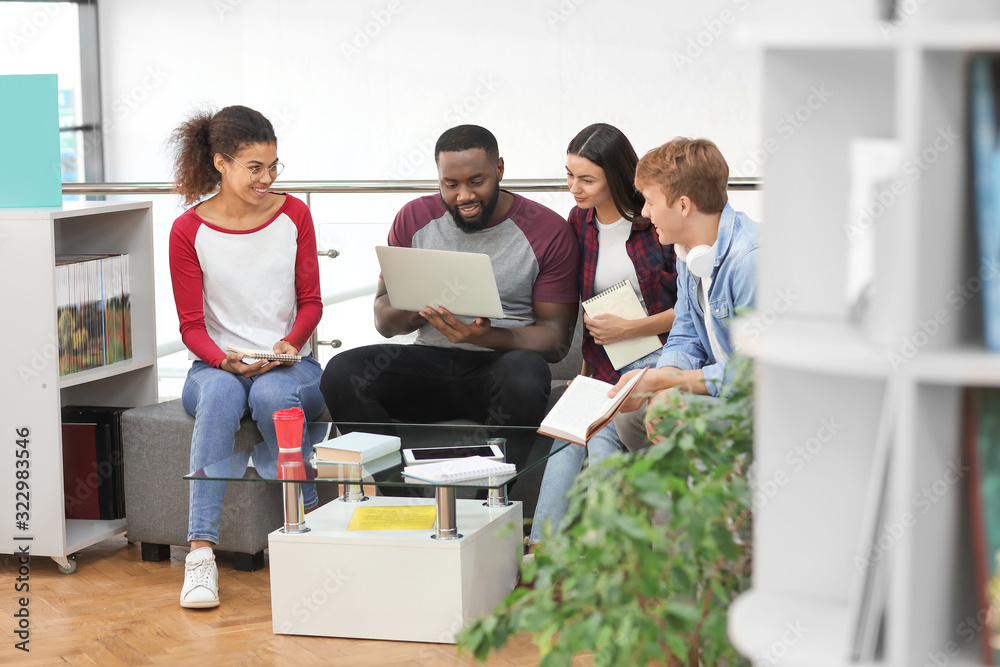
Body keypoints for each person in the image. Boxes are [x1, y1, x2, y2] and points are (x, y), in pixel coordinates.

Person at [320, 125, 579, 471]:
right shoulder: (414, 218)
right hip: (428, 364)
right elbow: (383, 322)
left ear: (499, 170)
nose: (464, 196)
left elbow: (556, 341)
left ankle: (492, 497)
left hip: (498, 368)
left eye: (477, 181)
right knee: (341, 372)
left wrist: (486, 336)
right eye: (450, 184)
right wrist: (420, 310)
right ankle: (398, 493)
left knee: (526, 373)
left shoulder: (547, 230)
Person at [167, 105, 325, 609]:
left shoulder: (294, 214)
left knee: (276, 393)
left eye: (274, 166)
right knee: (218, 396)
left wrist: (287, 346)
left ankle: (308, 529)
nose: (268, 178)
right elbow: (192, 327)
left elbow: (311, 303)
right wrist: (223, 361)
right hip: (214, 366)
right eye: (255, 167)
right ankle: (200, 554)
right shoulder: (187, 231)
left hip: (288, 362)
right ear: (221, 163)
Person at [529, 123, 677, 546]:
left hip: (658, 356)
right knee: (567, 432)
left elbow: (689, 311)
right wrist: (584, 371)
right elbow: (587, 310)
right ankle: (542, 553)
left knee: (603, 435)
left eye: (586, 179)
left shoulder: (656, 225)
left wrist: (634, 327)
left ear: (615, 177)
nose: (574, 188)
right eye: (569, 175)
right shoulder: (578, 222)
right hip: (603, 363)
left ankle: (614, 551)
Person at [610, 137, 758, 450]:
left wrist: (670, 382)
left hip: (761, 404)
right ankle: (674, 496)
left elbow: (754, 375)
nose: (646, 213)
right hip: (722, 391)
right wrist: (667, 386)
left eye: (650, 201)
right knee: (630, 417)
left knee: (678, 417)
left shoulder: (750, 260)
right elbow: (685, 333)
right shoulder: (689, 254)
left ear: (682, 205)